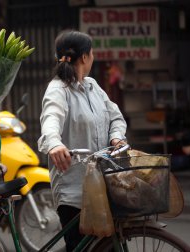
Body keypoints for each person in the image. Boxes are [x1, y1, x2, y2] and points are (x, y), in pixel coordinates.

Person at [37, 30, 127, 251]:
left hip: (103, 184)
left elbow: (115, 116)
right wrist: (55, 144)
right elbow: (51, 119)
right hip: (73, 191)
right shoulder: (58, 90)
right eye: (92, 52)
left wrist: (116, 138)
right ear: (85, 57)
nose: (93, 57)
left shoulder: (93, 86)